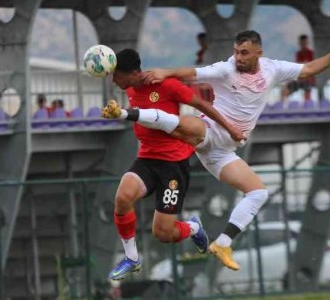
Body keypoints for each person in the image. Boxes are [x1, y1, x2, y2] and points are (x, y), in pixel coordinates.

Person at [110, 28, 330, 270]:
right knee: (177, 125)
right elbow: (193, 72)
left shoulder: (273, 69)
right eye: (237, 52)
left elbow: (309, 69)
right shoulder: (226, 69)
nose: (239, 57)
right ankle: (124, 114)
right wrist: (167, 72)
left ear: (259, 52)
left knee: (258, 193)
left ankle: (223, 243)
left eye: (245, 53)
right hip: (209, 132)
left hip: (222, 152)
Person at [100, 48, 244, 281]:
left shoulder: (166, 85)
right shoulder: (129, 88)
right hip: (147, 158)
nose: (113, 79)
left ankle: (194, 228)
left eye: (115, 74)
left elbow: (202, 105)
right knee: (122, 198)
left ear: (130, 73)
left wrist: (231, 128)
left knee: (164, 234)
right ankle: (132, 258)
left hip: (173, 165)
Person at [281, 34, 316, 103]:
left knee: (307, 89)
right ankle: (282, 106)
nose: (303, 44)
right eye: (302, 42)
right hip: (300, 79)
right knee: (285, 90)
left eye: (305, 42)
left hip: (308, 79)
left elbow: (311, 67)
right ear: (300, 43)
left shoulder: (311, 53)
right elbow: (298, 67)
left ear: (307, 43)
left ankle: (308, 105)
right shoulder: (298, 54)